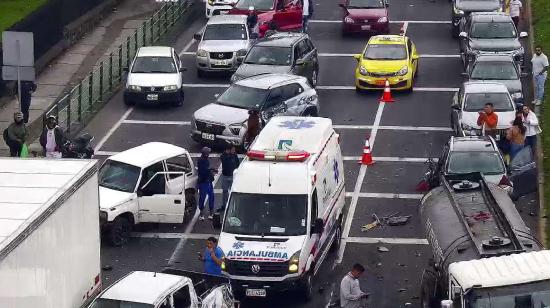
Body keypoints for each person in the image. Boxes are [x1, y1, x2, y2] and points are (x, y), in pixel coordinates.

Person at [197, 147, 216, 220]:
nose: (209, 154)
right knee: (203, 197)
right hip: (204, 182)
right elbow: (203, 172)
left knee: (211, 196)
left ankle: (209, 213)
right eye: (208, 153)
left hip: (207, 181)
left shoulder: (204, 160)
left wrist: (210, 170)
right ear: (205, 154)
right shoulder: (201, 161)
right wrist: (211, 172)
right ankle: (202, 213)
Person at [220, 144, 240, 210]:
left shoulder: (234, 155)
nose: (234, 151)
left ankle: (234, 205)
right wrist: (229, 155)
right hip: (225, 176)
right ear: (228, 150)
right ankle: (224, 205)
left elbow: (237, 163)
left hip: (232, 176)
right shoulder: (223, 156)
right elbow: (224, 160)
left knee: (234, 192)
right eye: (233, 149)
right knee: (225, 191)